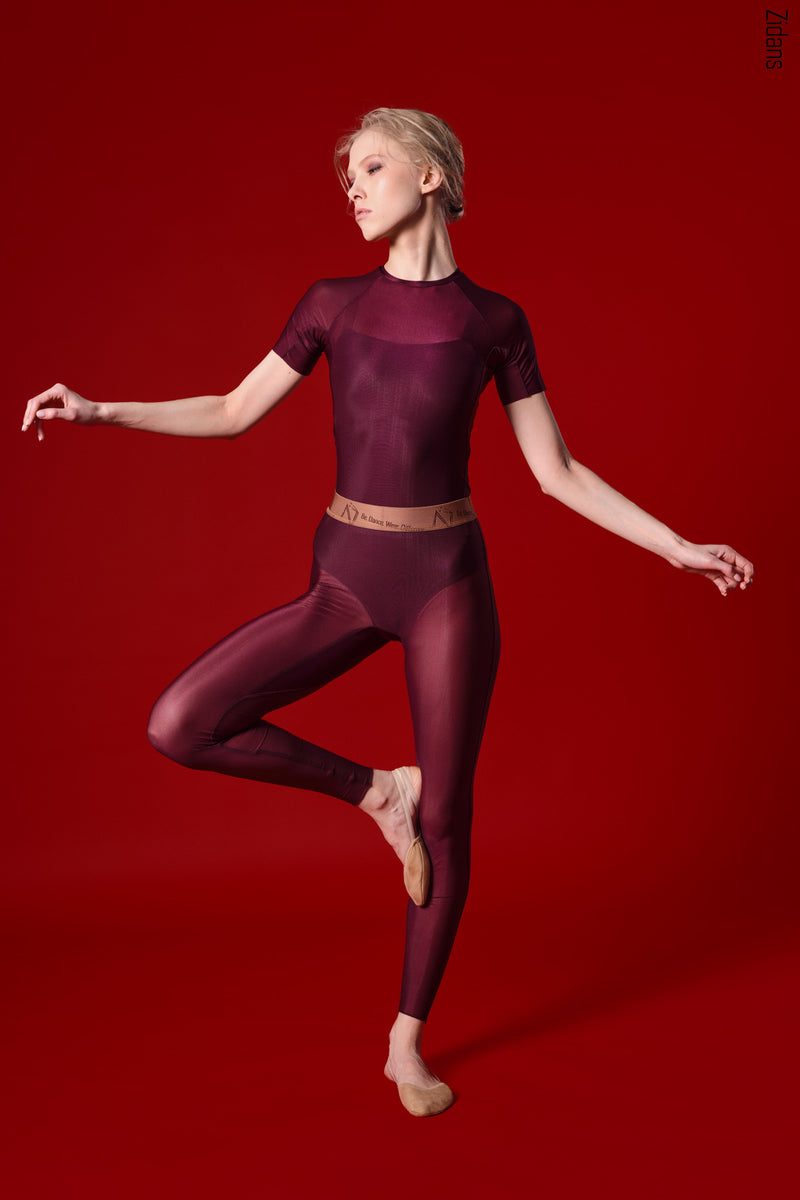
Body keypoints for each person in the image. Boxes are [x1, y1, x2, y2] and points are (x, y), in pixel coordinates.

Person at [21, 107, 754, 1118]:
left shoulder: (494, 322)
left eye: (371, 168)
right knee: (180, 723)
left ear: (430, 175)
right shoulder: (331, 304)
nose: (354, 189)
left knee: (449, 815)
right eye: (348, 178)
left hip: (449, 584)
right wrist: (102, 409)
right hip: (346, 581)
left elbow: (556, 472)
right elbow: (232, 412)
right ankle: (376, 794)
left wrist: (675, 545)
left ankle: (406, 1041)